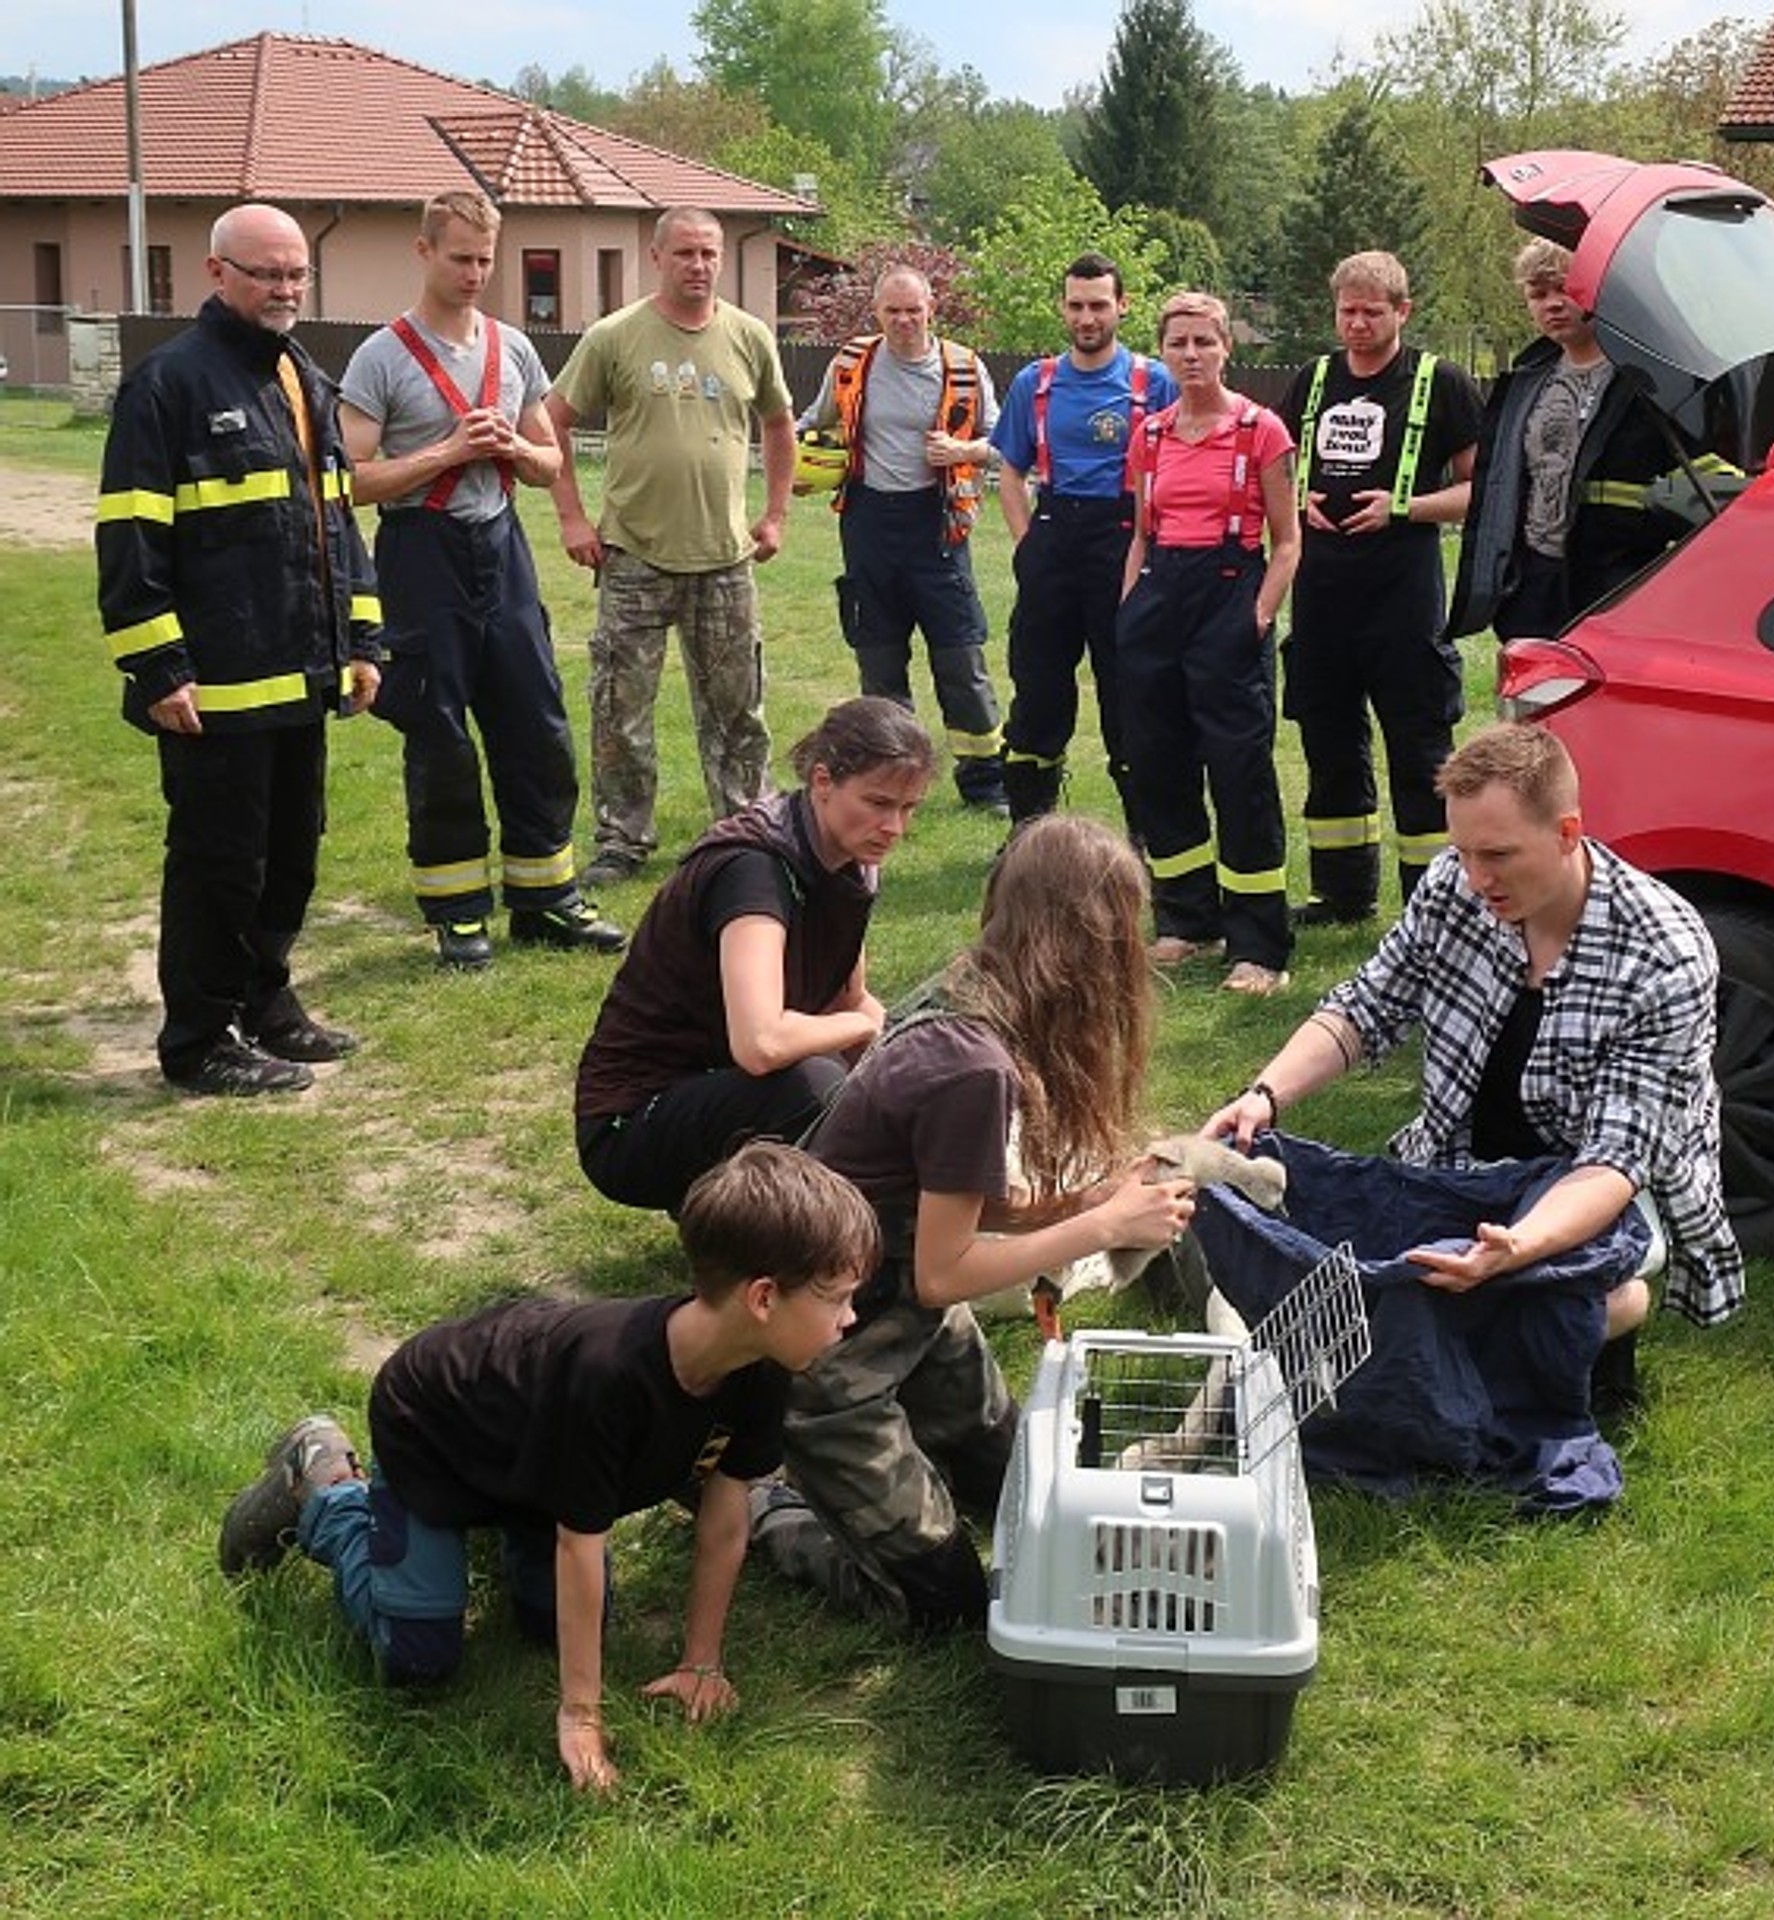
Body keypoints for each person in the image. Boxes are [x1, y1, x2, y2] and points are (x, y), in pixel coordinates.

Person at [217, 1141, 879, 1796]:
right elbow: (579, 1543)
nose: (850, 1317)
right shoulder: (608, 1378)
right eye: (838, 1297)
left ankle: (484, 1531)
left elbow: (725, 1520)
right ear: (763, 1298)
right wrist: (580, 1715)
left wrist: (700, 1661)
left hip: (534, 1461)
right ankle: (326, 1486)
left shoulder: (760, 1371)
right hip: (437, 1435)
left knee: (546, 1626)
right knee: (419, 1656)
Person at [1204, 723, 1745, 1413]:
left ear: (1568, 833)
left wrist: (1518, 1245)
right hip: (1465, 1163)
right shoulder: (1449, 889)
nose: (1475, 879)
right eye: (1462, 853)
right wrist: (1264, 1095)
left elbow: (1614, 1161)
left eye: (1497, 855)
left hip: (1606, 1185)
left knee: (1597, 1282)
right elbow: (1363, 1010)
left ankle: (1592, 1322)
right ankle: (1534, 1335)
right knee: (1400, 1278)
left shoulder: (1664, 954)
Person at [751, 814, 1197, 1630]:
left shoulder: (969, 995)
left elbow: (951, 1195)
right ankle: (768, 1502)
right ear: (1088, 942)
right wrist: (1103, 1228)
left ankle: (833, 1472)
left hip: (903, 1316)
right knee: (947, 1604)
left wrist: (1092, 1197)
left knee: (1023, 1497)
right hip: (832, 1360)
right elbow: (945, 1269)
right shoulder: (971, 1065)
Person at [95, 203, 382, 1097]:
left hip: (301, 674)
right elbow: (130, 536)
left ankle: (267, 1004)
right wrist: (157, 668)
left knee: (293, 850)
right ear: (217, 275)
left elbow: (335, 520)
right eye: (267, 273)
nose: (286, 288)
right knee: (221, 862)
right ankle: (197, 1039)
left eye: (297, 273)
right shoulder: (168, 385)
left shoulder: (302, 376)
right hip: (214, 684)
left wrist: (363, 637)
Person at [339, 191, 625, 971]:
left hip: (500, 550)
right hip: (418, 552)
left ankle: (547, 899)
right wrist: (444, 452)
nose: (474, 273)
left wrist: (512, 451)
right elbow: (351, 481)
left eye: (485, 259)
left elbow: (549, 462)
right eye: (460, 257)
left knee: (537, 725)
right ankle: (458, 913)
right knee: (439, 735)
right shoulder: (382, 357)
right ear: (424, 251)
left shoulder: (513, 349)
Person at [575, 698, 935, 1214]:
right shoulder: (754, 867)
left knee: (893, 1083)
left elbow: (847, 998)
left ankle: (823, 1223)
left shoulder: (851, 861)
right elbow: (761, 1043)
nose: (894, 827)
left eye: (908, 808)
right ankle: (788, 1235)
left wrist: (912, 1070)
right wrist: (862, 1030)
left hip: (716, 1089)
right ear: (822, 781)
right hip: (630, 1123)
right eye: (878, 803)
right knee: (815, 1085)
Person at [544, 206, 797, 888]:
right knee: (621, 707)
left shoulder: (748, 337)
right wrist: (571, 517)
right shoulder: (615, 337)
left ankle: (747, 831)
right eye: (685, 253)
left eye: (710, 253)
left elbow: (778, 424)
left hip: (725, 560)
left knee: (739, 710)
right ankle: (623, 840)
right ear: (656, 258)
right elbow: (549, 421)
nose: (699, 265)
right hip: (634, 556)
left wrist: (774, 515)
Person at [1276, 251, 1482, 923]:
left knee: (1419, 746)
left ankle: (1435, 904)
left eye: (1372, 311)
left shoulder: (1440, 381)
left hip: (1402, 591)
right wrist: (1296, 498)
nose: (1357, 324)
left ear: (1403, 311)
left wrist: (1405, 507)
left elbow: (1481, 490)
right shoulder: (1312, 379)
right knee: (1328, 742)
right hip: (1321, 591)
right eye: (1347, 311)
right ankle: (1342, 893)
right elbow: (1271, 471)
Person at [1115, 291, 1301, 996]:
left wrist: (1255, 618)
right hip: (1159, 595)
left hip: (1231, 593)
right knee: (1157, 762)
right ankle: (1187, 920)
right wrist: (1130, 606)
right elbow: (1140, 532)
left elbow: (1288, 544)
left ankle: (1258, 942)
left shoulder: (1262, 432)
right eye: (1177, 344)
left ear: (1227, 347)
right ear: (1161, 351)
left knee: (1238, 771)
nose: (1190, 356)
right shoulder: (1152, 435)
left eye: (1203, 342)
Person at [1449, 238, 1735, 643]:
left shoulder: (1651, 382)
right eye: (1538, 293)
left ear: (1598, 290)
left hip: (1618, 583)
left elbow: (1710, 478)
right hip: (1534, 585)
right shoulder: (1525, 382)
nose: (1552, 303)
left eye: (1564, 288)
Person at [797, 267, 1008, 813]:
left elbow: (1006, 444)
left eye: (913, 310)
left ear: (931, 307)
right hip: (868, 524)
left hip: (937, 525)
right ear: (877, 313)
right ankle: (891, 779)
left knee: (960, 658)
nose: (904, 321)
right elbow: (810, 423)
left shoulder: (962, 366)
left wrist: (964, 453)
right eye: (893, 311)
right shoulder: (851, 363)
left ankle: (985, 782)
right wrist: (797, 463)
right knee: (879, 660)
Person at [991, 252, 1178, 831]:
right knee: (1038, 693)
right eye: (1076, 305)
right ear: (1063, 308)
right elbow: (1010, 472)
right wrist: (1027, 546)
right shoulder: (1035, 382)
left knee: (1130, 695)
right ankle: (1029, 832)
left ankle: (1143, 840)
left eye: (1099, 305)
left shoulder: (1153, 380)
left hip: (1125, 546)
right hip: (1054, 541)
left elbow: (1176, 467)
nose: (1087, 316)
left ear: (1122, 306)